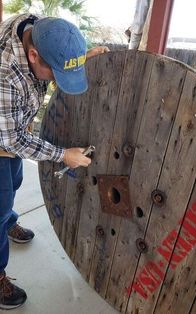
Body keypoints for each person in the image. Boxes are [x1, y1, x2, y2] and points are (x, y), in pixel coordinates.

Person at [0, 13, 108, 310]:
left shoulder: (37, 27)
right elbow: (12, 141)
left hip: (11, 125)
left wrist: (76, 59)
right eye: (55, 73)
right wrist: (63, 155)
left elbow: (55, 46)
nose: (58, 80)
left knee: (15, 179)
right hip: (3, 132)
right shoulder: (5, 74)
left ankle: (8, 221)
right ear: (33, 55)